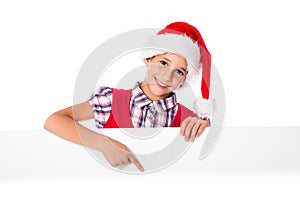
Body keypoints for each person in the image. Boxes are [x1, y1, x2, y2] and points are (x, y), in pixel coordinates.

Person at [44, 22, 215, 172]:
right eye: (163, 62)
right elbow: (54, 120)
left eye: (179, 72)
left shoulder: (187, 118)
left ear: (184, 80)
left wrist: (204, 125)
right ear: (148, 59)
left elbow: (207, 155)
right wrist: (104, 144)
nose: (167, 76)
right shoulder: (111, 101)